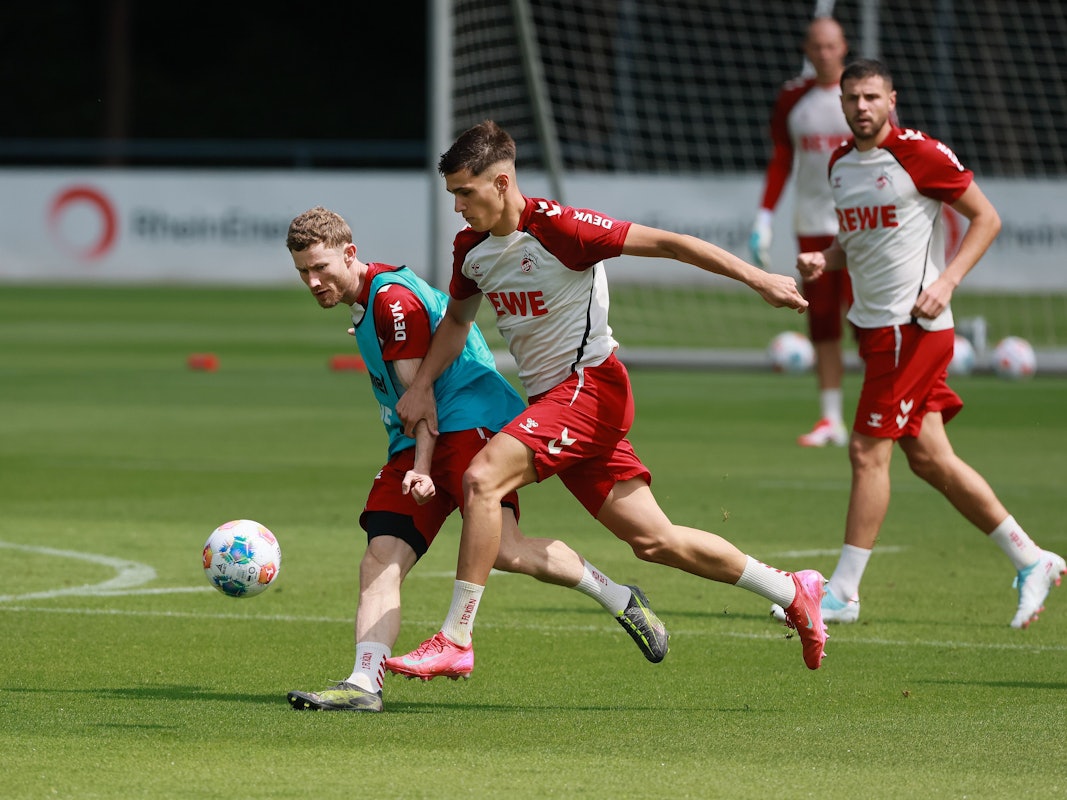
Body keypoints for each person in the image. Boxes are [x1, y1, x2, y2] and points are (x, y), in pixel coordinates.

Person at [384, 120, 830, 682]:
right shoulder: (470, 249)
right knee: (655, 541)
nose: (458, 207)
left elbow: (671, 243)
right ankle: (792, 588)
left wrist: (757, 279)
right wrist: (422, 383)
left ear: (501, 182)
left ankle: (455, 637)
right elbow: (456, 322)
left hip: (592, 387)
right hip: (556, 402)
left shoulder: (564, 229)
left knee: (481, 479)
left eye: (464, 193)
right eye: (452, 195)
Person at [282, 206, 671, 712]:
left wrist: (422, 470)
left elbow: (419, 400)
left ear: (350, 254)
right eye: (303, 272)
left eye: (321, 267)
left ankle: (621, 598)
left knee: (506, 550)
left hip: (465, 424)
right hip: (419, 439)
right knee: (382, 556)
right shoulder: (374, 297)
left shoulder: (392, 303)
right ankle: (364, 684)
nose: (313, 281)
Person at [774, 59, 1065, 628]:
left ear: (892, 100)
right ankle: (1031, 559)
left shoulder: (921, 154)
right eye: (853, 98)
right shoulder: (839, 164)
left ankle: (843, 594)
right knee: (931, 460)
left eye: (872, 97)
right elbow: (854, 244)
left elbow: (986, 218)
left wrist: (947, 281)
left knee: (865, 452)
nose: (861, 106)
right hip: (877, 330)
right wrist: (823, 260)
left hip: (913, 331)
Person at [750, 16, 853, 447]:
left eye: (832, 46)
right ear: (807, 51)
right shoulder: (793, 98)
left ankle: (891, 416)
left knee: (875, 323)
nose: (825, 54)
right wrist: (764, 216)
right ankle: (832, 419)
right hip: (813, 227)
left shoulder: (865, 94)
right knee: (824, 325)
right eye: (817, 47)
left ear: (844, 47)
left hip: (861, 227)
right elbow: (781, 159)